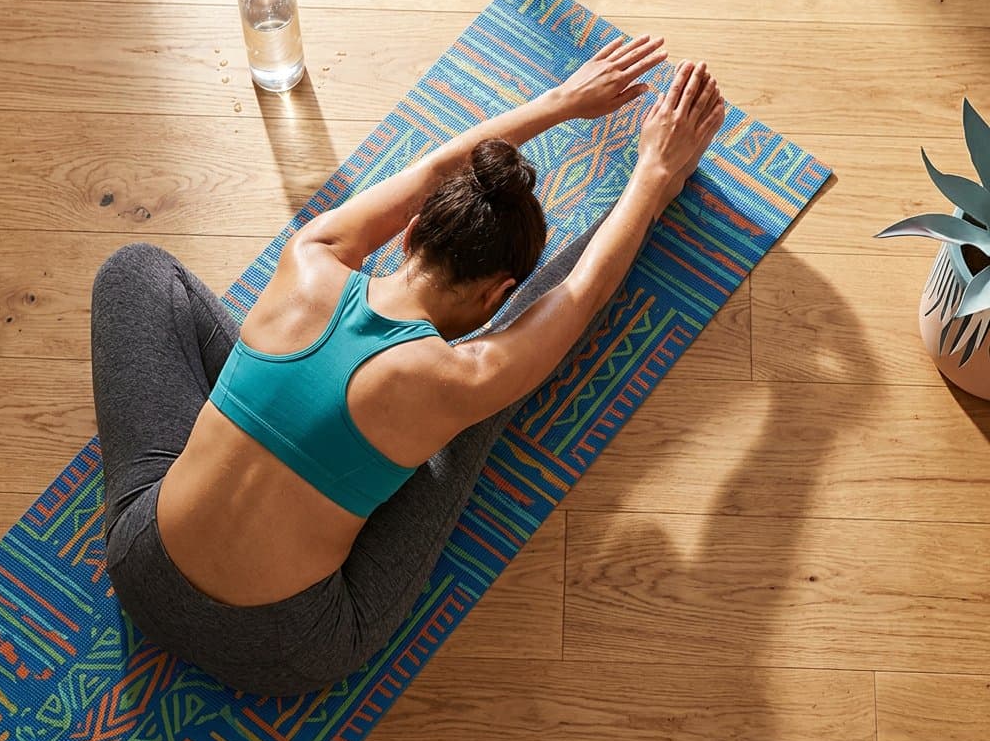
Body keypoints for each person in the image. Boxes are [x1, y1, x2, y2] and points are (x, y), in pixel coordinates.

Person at [90, 35, 725, 697]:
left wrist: (560, 103)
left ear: (410, 231)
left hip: (140, 568)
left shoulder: (314, 252)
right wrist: (652, 178)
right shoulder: (458, 383)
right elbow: (580, 295)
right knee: (474, 419)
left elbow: (431, 173)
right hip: (286, 652)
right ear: (497, 295)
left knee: (135, 273)